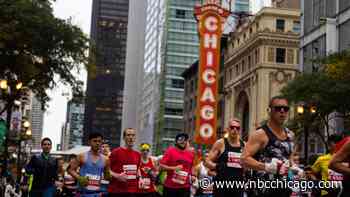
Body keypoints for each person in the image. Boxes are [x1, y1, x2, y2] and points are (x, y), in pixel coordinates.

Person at [241, 96, 295, 197]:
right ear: (269, 111)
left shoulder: (290, 135)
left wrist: (295, 169)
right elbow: (244, 159)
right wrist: (267, 167)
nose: (282, 111)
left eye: (285, 108)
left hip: (284, 190)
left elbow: (289, 160)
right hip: (262, 190)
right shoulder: (260, 134)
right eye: (278, 108)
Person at [205, 119, 244, 197]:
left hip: (237, 184)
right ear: (227, 129)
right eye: (232, 127)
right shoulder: (220, 143)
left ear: (240, 130)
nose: (235, 130)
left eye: (237, 128)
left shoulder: (244, 145)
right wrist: (217, 166)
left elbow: (248, 165)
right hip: (221, 184)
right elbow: (207, 161)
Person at [68, 132, 110, 197]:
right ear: (89, 142)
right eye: (95, 141)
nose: (97, 143)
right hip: (82, 194)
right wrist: (79, 178)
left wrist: (109, 175)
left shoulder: (106, 159)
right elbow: (70, 170)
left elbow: (107, 176)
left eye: (99, 141)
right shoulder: (82, 156)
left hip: (97, 194)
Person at [160, 132, 195, 197]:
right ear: (176, 142)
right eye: (180, 139)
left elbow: (192, 166)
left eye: (185, 140)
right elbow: (161, 167)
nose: (183, 142)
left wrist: (193, 175)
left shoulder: (190, 154)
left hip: (185, 187)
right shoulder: (170, 151)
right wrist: (174, 168)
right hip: (170, 187)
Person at [108, 128, 140, 197]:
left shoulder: (137, 155)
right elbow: (106, 169)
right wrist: (117, 176)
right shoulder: (116, 152)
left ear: (135, 138)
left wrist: (140, 178)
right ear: (123, 138)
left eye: (133, 135)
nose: (131, 137)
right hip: (116, 191)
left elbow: (137, 171)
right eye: (128, 135)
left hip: (132, 191)